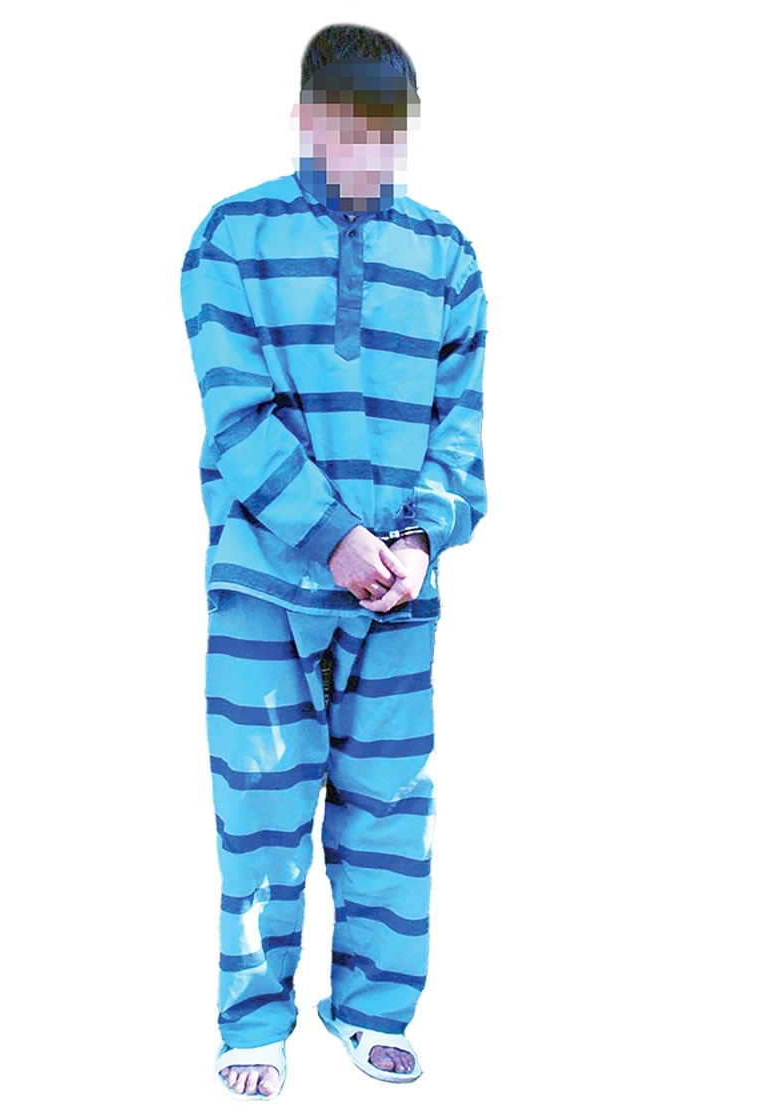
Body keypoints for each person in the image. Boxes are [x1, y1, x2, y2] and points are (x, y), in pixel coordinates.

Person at [181, 24, 487, 1099]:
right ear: (307, 119)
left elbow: (460, 425)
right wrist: (333, 537)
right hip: (265, 584)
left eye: (389, 133)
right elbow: (236, 416)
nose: (372, 152)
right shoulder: (232, 238)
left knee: (390, 811)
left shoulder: (448, 257)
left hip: (396, 597)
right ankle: (254, 1023)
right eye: (352, 130)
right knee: (259, 803)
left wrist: (418, 541)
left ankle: (372, 1010)